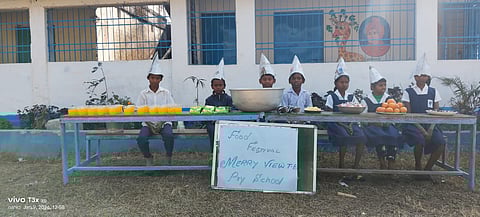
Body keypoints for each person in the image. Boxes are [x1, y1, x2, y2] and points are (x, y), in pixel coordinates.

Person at [401, 53, 445, 172]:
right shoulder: (408, 92)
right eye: (419, 75)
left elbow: (436, 112)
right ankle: (418, 165)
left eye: (425, 75)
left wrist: (430, 129)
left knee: (440, 142)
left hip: (431, 125)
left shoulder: (433, 92)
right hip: (414, 125)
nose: (422, 78)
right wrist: (421, 129)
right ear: (415, 77)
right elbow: (408, 114)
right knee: (419, 139)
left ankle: (427, 169)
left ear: (428, 77)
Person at [325, 57, 367, 168]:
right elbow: (328, 112)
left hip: (350, 123)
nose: (344, 84)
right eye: (341, 82)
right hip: (336, 124)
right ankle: (341, 164)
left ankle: (356, 165)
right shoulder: (332, 96)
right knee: (343, 136)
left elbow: (357, 108)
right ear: (336, 83)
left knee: (361, 137)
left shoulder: (351, 96)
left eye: (346, 82)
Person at [136, 54, 175, 166]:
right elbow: (139, 109)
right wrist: (147, 119)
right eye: (152, 78)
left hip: (163, 122)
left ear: (161, 79)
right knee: (141, 139)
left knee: (169, 136)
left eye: (157, 78)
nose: (155, 80)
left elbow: (171, 108)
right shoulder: (143, 94)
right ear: (148, 78)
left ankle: (168, 157)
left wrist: (164, 118)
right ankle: (148, 157)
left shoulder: (166, 93)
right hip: (148, 123)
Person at [362, 65, 402, 169]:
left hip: (387, 126)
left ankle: (391, 161)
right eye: (380, 85)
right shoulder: (366, 100)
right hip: (373, 127)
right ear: (372, 87)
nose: (383, 87)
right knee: (379, 136)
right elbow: (363, 117)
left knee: (393, 135)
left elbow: (394, 113)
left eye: (384, 85)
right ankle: (382, 161)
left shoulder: (389, 99)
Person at [205, 58, 233, 151]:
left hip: (226, 122)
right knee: (212, 131)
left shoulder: (229, 98)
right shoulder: (209, 99)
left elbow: (231, 111)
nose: (218, 87)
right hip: (212, 123)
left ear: (224, 86)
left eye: (220, 85)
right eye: (216, 85)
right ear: (212, 86)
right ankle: (214, 153)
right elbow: (207, 113)